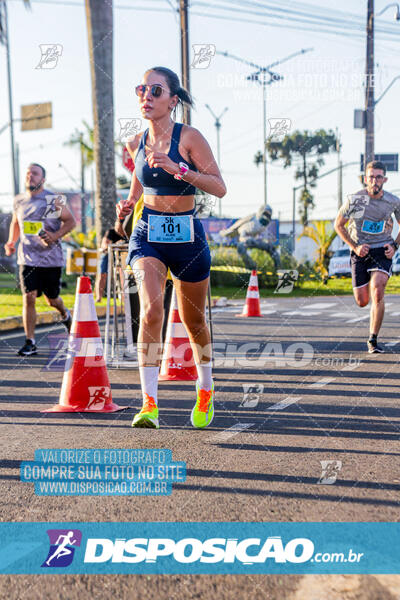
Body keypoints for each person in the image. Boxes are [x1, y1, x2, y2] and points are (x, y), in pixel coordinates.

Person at [117, 66, 226, 429]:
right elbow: (140, 179)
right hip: (147, 233)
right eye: (141, 89)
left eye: (156, 90)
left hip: (188, 238)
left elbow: (218, 187)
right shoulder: (136, 141)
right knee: (150, 311)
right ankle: (149, 404)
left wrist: (179, 170)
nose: (146, 95)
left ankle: (206, 388)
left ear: (173, 100)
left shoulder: (189, 137)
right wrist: (129, 204)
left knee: (194, 322)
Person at [4, 163, 76, 356]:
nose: (30, 176)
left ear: (43, 179)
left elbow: (70, 221)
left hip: (50, 259)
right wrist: (11, 241)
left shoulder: (51, 200)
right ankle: (30, 342)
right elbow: (16, 223)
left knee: (52, 300)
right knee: (28, 298)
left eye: (35, 174)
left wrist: (54, 236)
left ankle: (65, 314)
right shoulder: (19, 201)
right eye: (28, 173)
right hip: (27, 258)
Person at [334, 160, 400, 353]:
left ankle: (373, 339)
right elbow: (338, 225)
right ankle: (368, 300)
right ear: (365, 179)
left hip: (382, 249)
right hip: (360, 251)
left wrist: (395, 246)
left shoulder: (393, 201)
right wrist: (354, 247)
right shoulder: (356, 200)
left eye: (379, 177)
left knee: (378, 289)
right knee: (362, 301)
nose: (374, 181)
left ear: (385, 179)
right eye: (371, 177)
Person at [95, 224, 127, 303]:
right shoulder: (111, 232)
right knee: (102, 275)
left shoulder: (127, 234)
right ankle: (99, 297)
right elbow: (105, 245)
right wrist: (116, 245)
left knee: (123, 273)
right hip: (107, 254)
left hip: (121, 255)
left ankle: (124, 296)